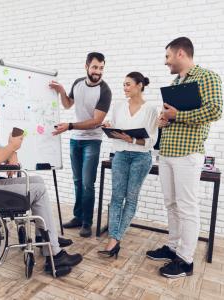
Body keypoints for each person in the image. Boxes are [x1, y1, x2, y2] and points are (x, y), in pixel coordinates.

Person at [0, 90, 83, 276]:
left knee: (37, 181)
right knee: (38, 188)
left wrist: (11, 152)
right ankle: (53, 251)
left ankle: (44, 237)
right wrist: (12, 146)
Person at [146, 37, 223, 278]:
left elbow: (216, 109)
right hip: (168, 152)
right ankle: (172, 247)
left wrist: (178, 115)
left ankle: (186, 260)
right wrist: (163, 120)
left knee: (187, 207)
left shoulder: (206, 77)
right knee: (171, 204)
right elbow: (173, 116)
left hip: (188, 153)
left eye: (168, 56)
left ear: (180, 53)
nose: (165, 61)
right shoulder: (175, 82)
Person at [49, 52, 112, 237]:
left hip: (92, 140)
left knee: (87, 183)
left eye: (101, 68)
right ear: (86, 67)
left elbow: (96, 121)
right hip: (76, 139)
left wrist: (69, 126)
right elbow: (68, 104)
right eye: (94, 67)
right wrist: (61, 91)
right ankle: (78, 217)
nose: (98, 71)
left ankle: (87, 222)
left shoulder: (105, 91)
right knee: (77, 182)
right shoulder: (77, 83)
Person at [97, 72, 158, 258]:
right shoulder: (118, 106)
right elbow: (115, 129)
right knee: (116, 198)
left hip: (141, 158)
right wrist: (108, 126)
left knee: (130, 199)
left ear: (139, 85)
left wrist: (130, 139)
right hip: (120, 155)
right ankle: (114, 240)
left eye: (128, 84)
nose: (124, 88)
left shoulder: (150, 109)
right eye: (123, 84)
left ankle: (114, 239)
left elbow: (151, 141)